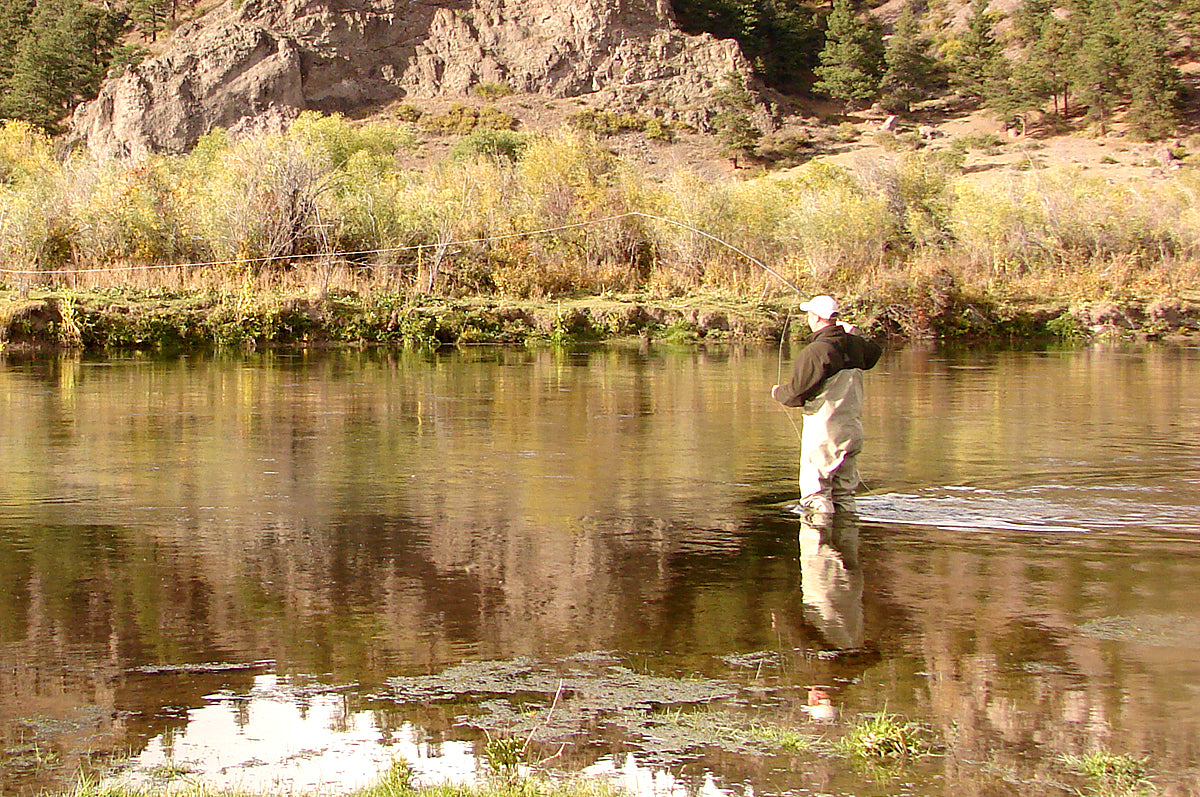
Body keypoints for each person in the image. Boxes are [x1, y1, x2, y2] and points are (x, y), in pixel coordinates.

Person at [771, 294, 882, 515]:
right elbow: (874, 352)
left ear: (815, 318)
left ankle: (819, 546)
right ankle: (846, 545)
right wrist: (854, 332)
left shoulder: (816, 351)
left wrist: (777, 393)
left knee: (816, 497)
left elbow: (795, 395)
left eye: (809, 315)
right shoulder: (856, 345)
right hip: (852, 430)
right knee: (844, 496)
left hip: (824, 433)